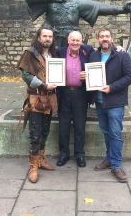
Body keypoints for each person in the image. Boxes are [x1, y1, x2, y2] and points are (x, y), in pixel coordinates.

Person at [89, 27, 131, 183]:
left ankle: (116, 165)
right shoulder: (94, 55)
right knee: (106, 131)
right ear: (98, 39)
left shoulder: (122, 55)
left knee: (115, 132)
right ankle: (109, 159)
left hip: (115, 102)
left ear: (112, 38)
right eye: (102, 36)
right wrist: (85, 76)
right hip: (100, 101)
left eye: (107, 36)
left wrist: (111, 87)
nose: (105, 39)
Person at [16, 25, 58, 183]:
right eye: (45, 36)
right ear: (39, 37)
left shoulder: (54, 54)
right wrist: (43, 85)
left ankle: (41, 160)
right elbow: (26, 75)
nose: (47, 39)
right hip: (35, 100)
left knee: (45, 132)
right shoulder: (31, 54)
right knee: (35, 134)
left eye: (50, 37)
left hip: (50, 100)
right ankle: (33, 165)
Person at [56, 31, 95, 168]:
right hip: (64, 93)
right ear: (68, 40)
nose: (75, 43)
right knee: (63, 125)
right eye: (72, 40)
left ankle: (79, 154)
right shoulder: (59, 52)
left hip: (80, 94)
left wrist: (117, 49)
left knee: (80, 126)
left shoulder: (88, 51)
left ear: (81, 41)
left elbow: (102, 52)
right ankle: (64, 154)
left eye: (77, 40)